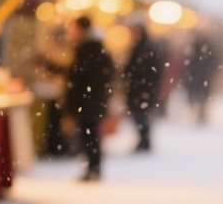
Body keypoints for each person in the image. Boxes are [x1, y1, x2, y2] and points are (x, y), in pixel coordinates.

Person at [65, 16, 115, 181]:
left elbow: (80, 75)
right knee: (90, 135)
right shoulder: (95, 49)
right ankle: (94, 168)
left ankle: (93, 168)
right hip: (92, 101)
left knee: (89, 136)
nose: (71, 32)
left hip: (88, 101)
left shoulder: (88, 50)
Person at [123, 23, 163, 152]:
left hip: (142, 90)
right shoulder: (141, 48)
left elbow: (150, 71)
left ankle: (144, 141)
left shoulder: (144, 49)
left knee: (141, 117)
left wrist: (139, 81)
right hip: (141, 90)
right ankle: (143, 141)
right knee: (140, 117)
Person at [182, 32, 222, 123]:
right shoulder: (199, 48)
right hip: (199, 76)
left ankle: (200, 112)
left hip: (201, 76)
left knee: (201, 96)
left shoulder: (199, 49)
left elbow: (188, 63)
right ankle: (198, 111)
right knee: (198, 95)